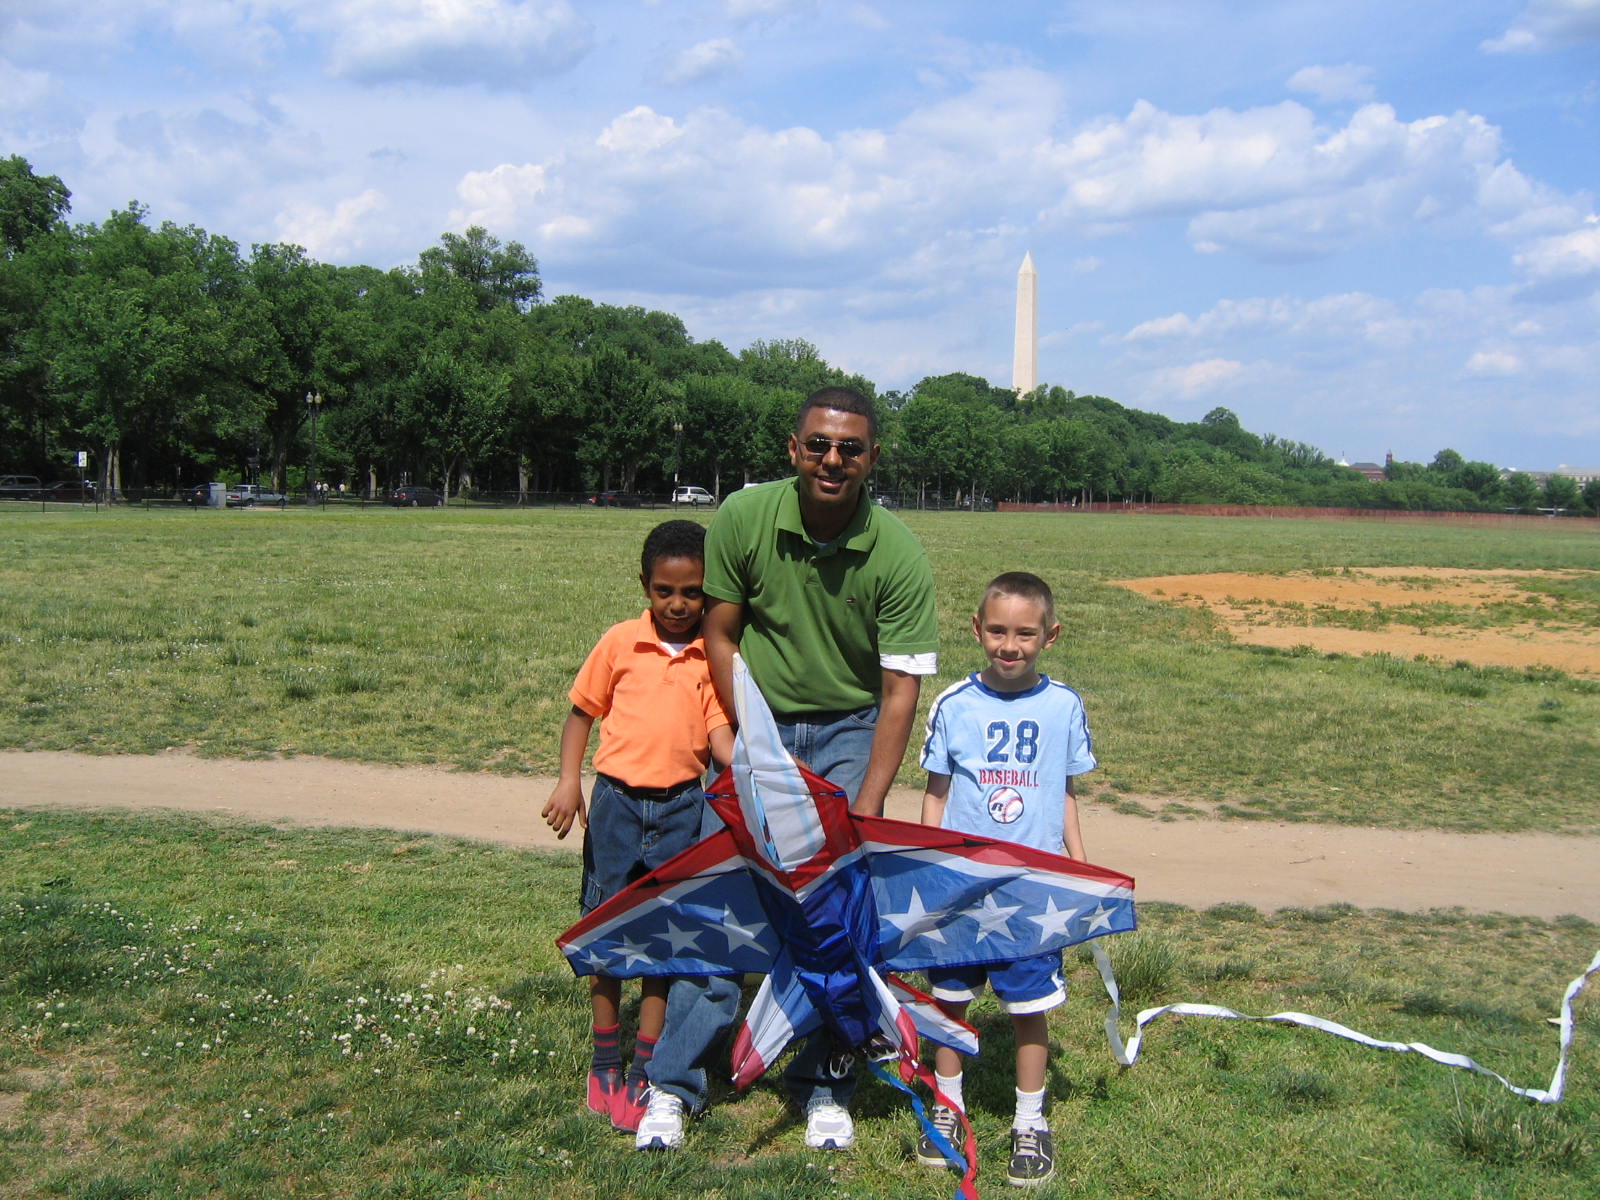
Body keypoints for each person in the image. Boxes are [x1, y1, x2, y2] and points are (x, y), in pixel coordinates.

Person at [680, 384, 940, 1151]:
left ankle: (825, 1082)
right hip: (759, 720)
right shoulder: (743, 518)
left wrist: (866, 804)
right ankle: (679, 1077)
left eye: (850, 448)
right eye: (819, 445)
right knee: (719, 891)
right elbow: (720, 637)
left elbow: (899, 692)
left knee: (840, 913)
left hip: (852, 721)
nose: (833, 459)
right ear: (793, 449)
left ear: (872, 459)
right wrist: (748, 739)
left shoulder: (895, 550)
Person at [541, 519, 734, 1148]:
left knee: (664, 939)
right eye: (664, 591)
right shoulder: (621, 642)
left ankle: (649, 1065)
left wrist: (760, 770)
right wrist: (570, 781)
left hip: (683, 809)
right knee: (606, 932)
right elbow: (580, 715)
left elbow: (717, 737)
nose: (677, 605)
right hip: (617, 806)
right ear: (644, 586)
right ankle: (605, 1061)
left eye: (692, 593)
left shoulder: (711, 654)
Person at [915, 571, 1096, 1189]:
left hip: (1033, 887)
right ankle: (949, 1105)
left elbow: (1066, 795)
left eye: (1025, 633)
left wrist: (1080, 868)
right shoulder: (953, 705)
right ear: (976, 629)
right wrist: (933, 867)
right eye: (997, 630)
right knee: (951, 1001)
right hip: (964, 883)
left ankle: (1029, 1121)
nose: (1009, 645)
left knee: (1028, 1005)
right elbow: (934, 797)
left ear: (1051, 635)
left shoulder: (1063, 706)